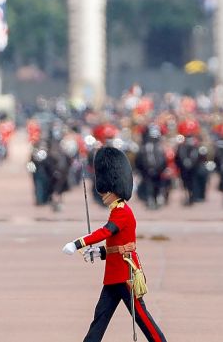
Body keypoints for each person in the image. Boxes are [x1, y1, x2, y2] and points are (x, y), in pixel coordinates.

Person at [62, 146, 167, 342]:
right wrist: (98, 253)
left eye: (105, 191)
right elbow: (117, 243)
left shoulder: (121, 212)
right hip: (114, 274)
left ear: (114, 188)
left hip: (125, 273)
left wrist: (78, 244)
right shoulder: (117, 210)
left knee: (143, 319)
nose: (103, 194)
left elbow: (106, 232)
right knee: (100, 317)